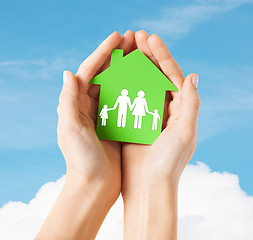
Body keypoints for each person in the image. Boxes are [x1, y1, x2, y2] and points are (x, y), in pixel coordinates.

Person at [36, 30, 200, 240]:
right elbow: (122, 104)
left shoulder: (137, 99)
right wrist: (89, 179)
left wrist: (150, 186)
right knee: (123, 119)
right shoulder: (125, 99)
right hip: (121, 115)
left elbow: (135, 105)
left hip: (140, 117)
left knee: (132, 120)